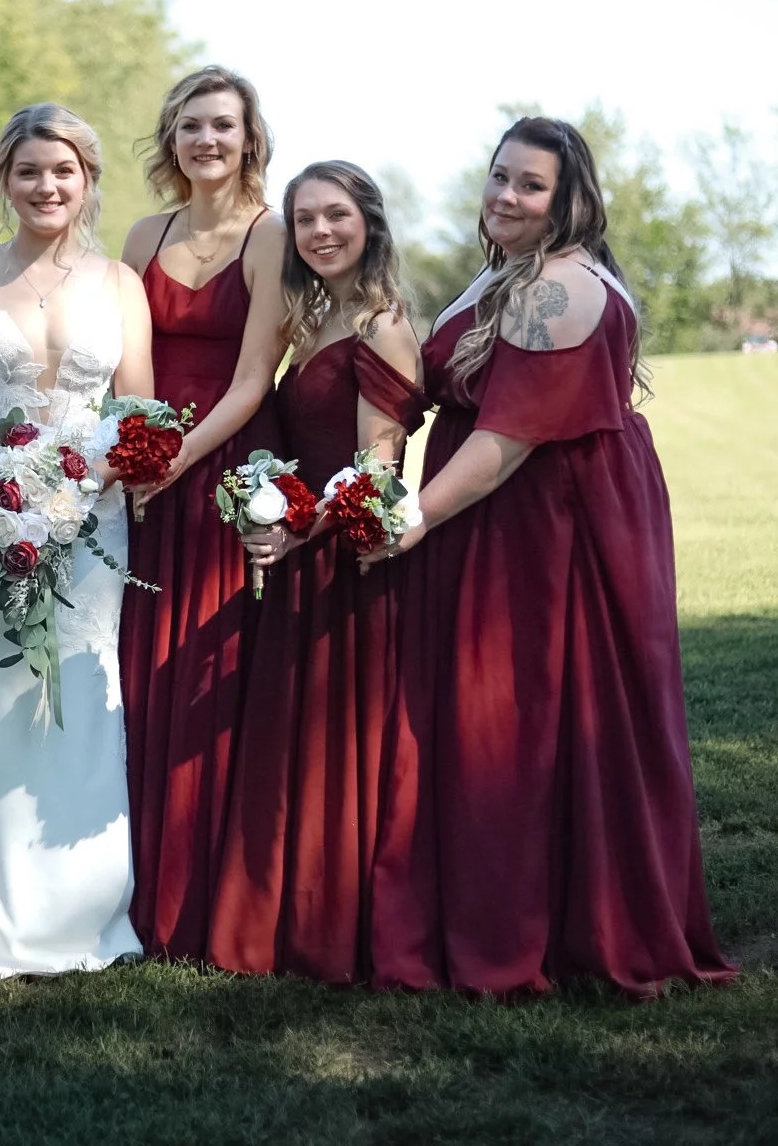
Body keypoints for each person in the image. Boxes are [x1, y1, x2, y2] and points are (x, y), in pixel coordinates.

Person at [365, 117, 737, 997]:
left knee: (533, 711)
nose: (506, 195)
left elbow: (508, 438)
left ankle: (552, 924)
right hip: (497, 512)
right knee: (497, 712)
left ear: (570, 199)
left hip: (551, 524)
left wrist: (412, 519)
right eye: (499, 177)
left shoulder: (558, 288)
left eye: (530, 185)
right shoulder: (501, 278)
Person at [0, 104, 155, 981]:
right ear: (4, 179)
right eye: (28, 171)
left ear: (87, 180)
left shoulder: (122, 282)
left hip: (92, 520)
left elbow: (135, 413)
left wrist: (81, 478)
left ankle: (79, 910)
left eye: (63, 171)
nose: (45, 187)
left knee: (83, 696)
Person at [208, 162, 425, 982]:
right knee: (293, 741)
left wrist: (302, 531)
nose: (321, 232)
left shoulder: (382, 324)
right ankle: (286, 918)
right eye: (304, 220)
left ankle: (338, 928)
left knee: (344, 743)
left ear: (369, 220)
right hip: (302, 555)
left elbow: (378, 463)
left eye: (336, 215)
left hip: (351, 563)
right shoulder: (317, 320)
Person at [117, 66, 289, 960]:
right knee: (142, 669)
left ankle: (206, 895)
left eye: (223, 125)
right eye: (191, 126)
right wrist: (132, 451)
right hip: (146, 471)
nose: (207, 141)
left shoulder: (271, 235)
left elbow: (255, 377)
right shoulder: (144, 234)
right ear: (171, 139)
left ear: (249, 136)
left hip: (225, 464)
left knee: (209, 665)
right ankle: (137, 886)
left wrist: (177, 458)